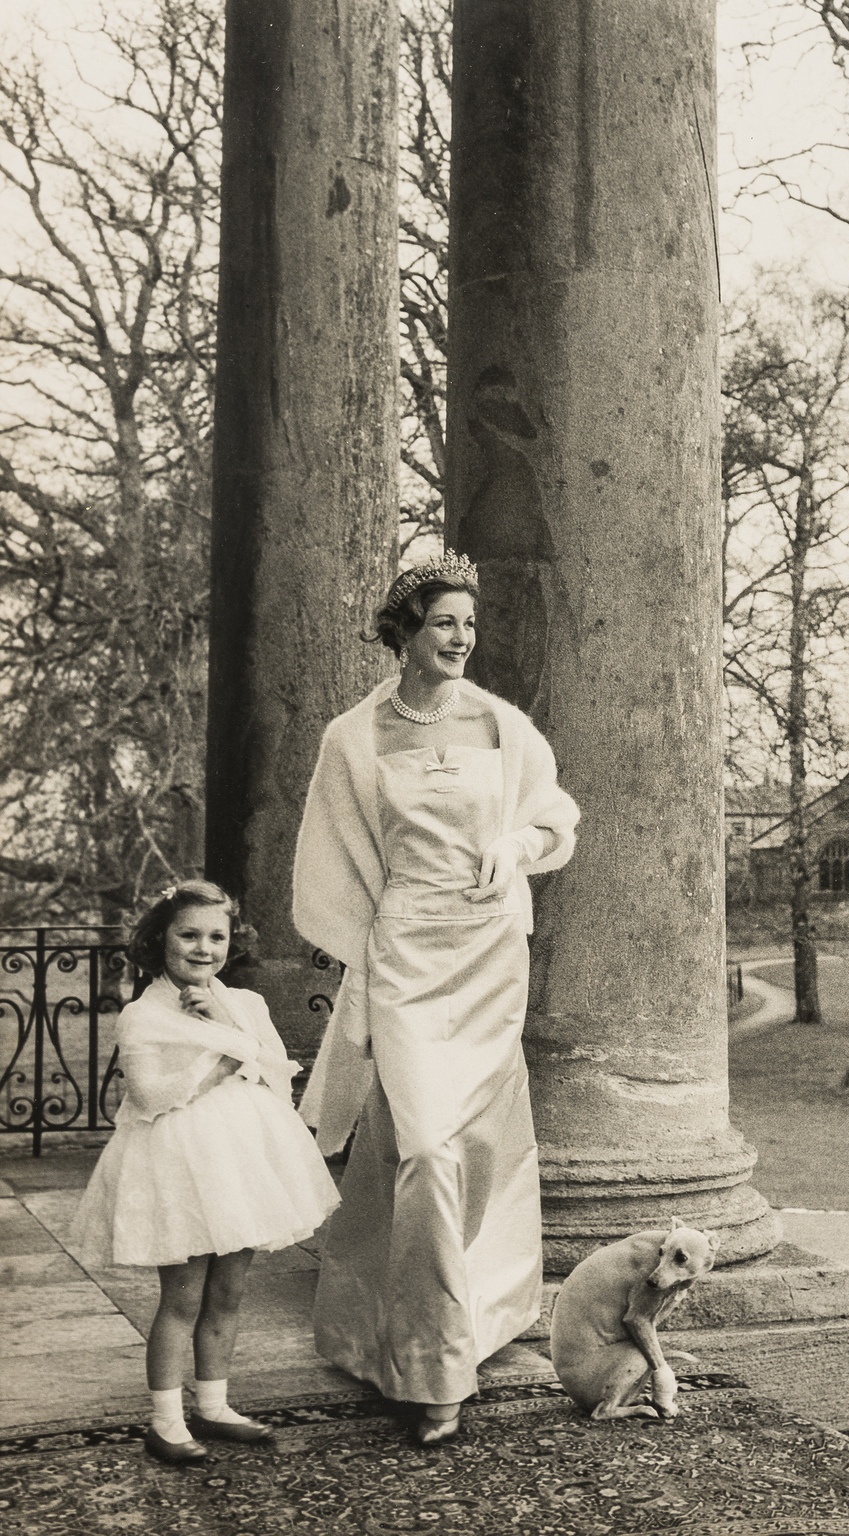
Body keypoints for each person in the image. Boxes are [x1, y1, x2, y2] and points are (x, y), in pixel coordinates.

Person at [293, 550, 579, 1445]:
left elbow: (553, 816)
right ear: (404, 633)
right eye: (443, 623)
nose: (461, 638)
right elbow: (331, 861)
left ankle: (456, 1331)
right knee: (419, 1148)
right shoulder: (353, 736)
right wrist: (366, 960)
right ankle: (430, 1364)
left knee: (473, 1148)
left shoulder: (501, 725)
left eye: (468, 624)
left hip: (489, 952)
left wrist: (519, 846)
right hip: (407, 955)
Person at [69, 880, 340, 1464]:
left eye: (216, 936)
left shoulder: (245, 1004)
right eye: (188, 934)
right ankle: (165, 1421)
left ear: (231, 944)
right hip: (180, 1163)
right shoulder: (143, 1015)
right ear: (159, 939)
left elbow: (277, 1071)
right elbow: (148, 1094)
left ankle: (214, 1405)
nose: (202, 948)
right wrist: (217, 1060)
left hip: (241, 1159)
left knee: (230, 1291)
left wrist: (221, 1016)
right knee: (183, 1297)